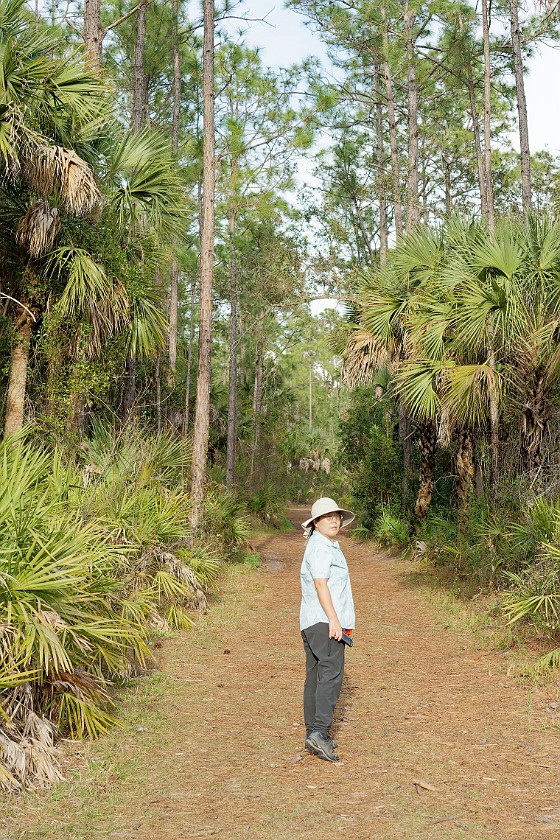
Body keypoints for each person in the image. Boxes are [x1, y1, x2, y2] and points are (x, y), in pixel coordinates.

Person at [300, 496, 355, 762]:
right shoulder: (321, 547)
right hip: (324, 622)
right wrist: (334, 620)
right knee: (331, 675)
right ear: (316, 523)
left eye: (337, 517)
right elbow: (321, 584)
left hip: (311, 621)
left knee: (315, 677)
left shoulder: (324, 545)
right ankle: (319, 732)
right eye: (327, 517)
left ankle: (313, 733)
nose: (334, 521)